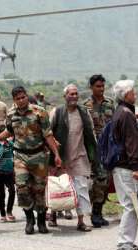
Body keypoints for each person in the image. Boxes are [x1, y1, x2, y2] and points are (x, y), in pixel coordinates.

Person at [0, 86, 61, 235]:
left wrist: (56, 154)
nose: (21, 100)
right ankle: (29, 219)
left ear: (27, 96)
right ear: (14, 100)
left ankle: (41, 220)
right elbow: (9, 131)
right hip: (20, 157)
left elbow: (48, 135)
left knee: (39, 189)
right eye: (18, 98)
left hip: (39, 156)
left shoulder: (40, 112)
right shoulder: (11, 114)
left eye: (23, 97)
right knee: (22, 188)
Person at [49, 84, 99, 232]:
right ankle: (52, 214)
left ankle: (81, 221)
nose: (74, 97)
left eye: (76, 94)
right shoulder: (57, 112)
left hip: (80, 157)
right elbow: (49, 133)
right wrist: (54, 154)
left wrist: (92, 154)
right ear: (65, 96)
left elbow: (90, 134)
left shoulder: (83, 112)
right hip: (61, 157)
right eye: (71, 94)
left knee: (81, 189)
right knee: (59, 188)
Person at [111, 80, 138, 250]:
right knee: (130, 205)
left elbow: (133, 136)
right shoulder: (125, 113)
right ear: (126, 95)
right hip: (127, 168)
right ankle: (124, 243)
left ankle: (128, 242)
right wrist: (136, 168)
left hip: (126, 167)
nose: (135, 94)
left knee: (133, 205)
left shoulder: (124, 112)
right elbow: (130, 143)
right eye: (133, 92)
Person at [83, 74, 115, 228]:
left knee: (105, 181)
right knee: (98, 180)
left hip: (108, 148)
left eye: (103, 86)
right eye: (97, 86)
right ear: (91, 87)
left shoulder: (110, 103)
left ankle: (98, 212)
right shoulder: (85, 105)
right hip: (92, 149)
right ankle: (94, 213)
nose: (101, 89)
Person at [0, 125, 16, 223]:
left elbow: (15, 152)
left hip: (9, 171)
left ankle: (9, 211)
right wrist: (2, 147)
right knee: (1, 193)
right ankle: (3, 215)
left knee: (12, 190)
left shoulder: (10, 144)